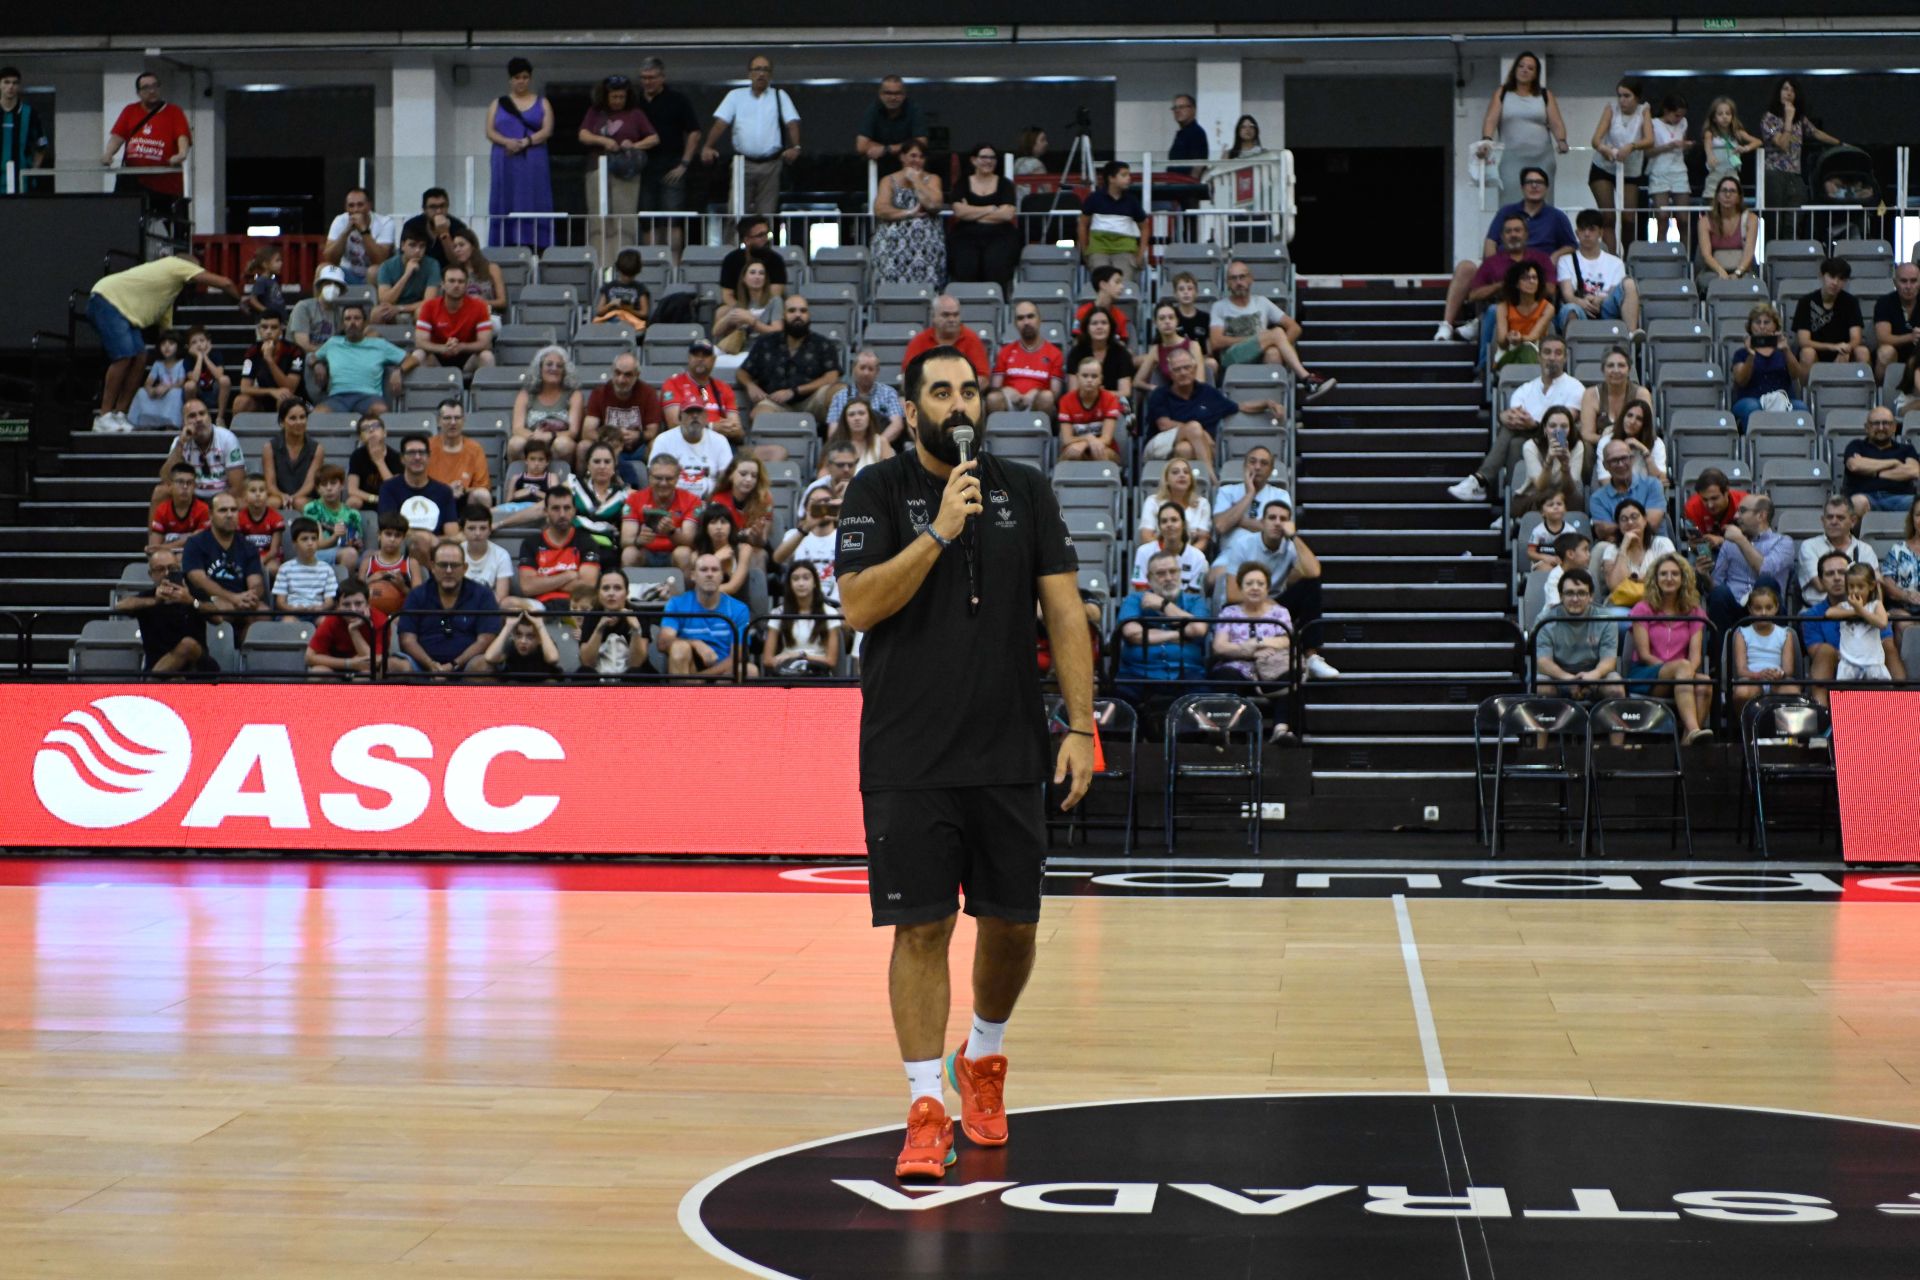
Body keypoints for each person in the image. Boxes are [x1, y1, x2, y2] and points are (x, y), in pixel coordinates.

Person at [834, 342, 1093, 1180]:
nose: (959, 403)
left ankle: (980, 1059)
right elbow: (860, 606)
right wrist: (940, 531)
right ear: (910, 411)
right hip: (908, 752)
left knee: (1014, 924)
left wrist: (1081, 727)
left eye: (970, 390)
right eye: (940, 391)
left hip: (1009, 745)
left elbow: (1064, 613)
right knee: (922, 928)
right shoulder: (876, 490)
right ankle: (922, 1106)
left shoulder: (1026, 489)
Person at [88, 252, 241, 432]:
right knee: (124, 356)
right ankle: (104, 416)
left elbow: (166, 333)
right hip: (107, 299)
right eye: (195, 270)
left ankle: (120, 414)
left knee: (140, 356)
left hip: (126, 314)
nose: (194, 275)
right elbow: (226, 283)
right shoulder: (174, 264)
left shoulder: (167, 294)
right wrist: (240, 301)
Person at [1449, 334, 1583, 503]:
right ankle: (1512, 504)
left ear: (1565, 358)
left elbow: (1566, 423)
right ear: (1538, 356)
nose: (1552, 358)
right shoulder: (1526, 389)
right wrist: (1504, 417)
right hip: (1531, 440)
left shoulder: (1575, 387)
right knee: (1514, 443)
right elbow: (1514, 417)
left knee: (1510, 430)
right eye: (1547, 352)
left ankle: (1480, 480)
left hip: (1560, 441)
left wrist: (1533, 423)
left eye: (1558, 353)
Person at [1209, 261, 1333, 401]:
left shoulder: (1262, 302)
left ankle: (1273, 405)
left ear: (1251, 279)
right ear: (1228, 283)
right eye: (1233, 278)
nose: (1238, 282)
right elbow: (1216, 341)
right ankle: (1306, 379)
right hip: (1232, 358)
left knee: (1273, 352)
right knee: (1277, 333)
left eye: (1242, 277)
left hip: (1259, 354)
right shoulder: (1219, 307)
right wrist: (1256, 339)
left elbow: (1295, 328)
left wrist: (1280, 347)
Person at [1143, 348, 1283, 469]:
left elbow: (1240, 406)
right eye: (1177, 369)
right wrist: (1201, 434)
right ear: (1171, 374)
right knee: (1194, 428)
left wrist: (1267, 403)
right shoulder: (1160, 394)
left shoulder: (1208, 393)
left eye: (1187, 367)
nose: (1183, 372)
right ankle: (1211, 480)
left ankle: (1198, 489)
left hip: (1194, 450)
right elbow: (1164, 425)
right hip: (1159, 447)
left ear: (1195, 369)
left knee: (1185, 449)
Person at [1436, 212, 1559, 345]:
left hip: (1535, 309)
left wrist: (1523, 286)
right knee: (1494, 310)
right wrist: (1501, 285)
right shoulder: (1491, 262)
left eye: (1517, 230)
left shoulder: (1541, 259)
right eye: (1508, 231)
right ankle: (1484, 364)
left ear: (1526, 234)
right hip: (1499, 311)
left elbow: (1551, 289)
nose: (1513, 235)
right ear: (1502, 237)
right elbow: (1473, 295)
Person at [1627, 552, 1713, 743]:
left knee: (1705, 683)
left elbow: (1696, 657)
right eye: (1663, 574)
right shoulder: (1643, 608)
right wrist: (1675, 670)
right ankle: (1693, 730)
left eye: (1675, 574)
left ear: (1683, 579)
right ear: (1655, 579)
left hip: (1682, 676)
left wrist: (1683, 673)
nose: (1669, 578)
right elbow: (1644, 654)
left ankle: (1687, 744)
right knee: (1682, 666)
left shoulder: (1694, 611)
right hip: (1648, 674)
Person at [702, 54, 801, 218]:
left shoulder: (779, 95)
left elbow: (792, 123)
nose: (761, 73)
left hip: (771, 163)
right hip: (743, 163)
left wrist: (796, 147)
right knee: (736, 213)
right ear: (749, 74)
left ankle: (763, 245)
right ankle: (732, 244)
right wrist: (708, 146)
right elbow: (721, 123)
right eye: (757, 69)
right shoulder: (735, 96)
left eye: (765, 70)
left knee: (767, 214)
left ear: (770, 75)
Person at [577, 75, 657, 266]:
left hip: (626, 174)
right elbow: (583, 134)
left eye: (621, 97)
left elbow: (654, 138)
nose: (618, 101)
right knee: (599, 218)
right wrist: (603, 141)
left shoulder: (635, 114)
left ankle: (623, 263)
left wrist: (634, 144)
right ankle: (601, 263)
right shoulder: (595, 112)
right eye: (614, 97)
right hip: (597, 169)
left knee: (624, 218)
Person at [1210, 563, 1296, 738]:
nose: (1255, 588)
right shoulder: (1229, 612)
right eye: (1249, 584)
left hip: (1271, 668)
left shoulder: (1279, 613)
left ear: (1267, 588)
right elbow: (1219, 646)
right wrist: (1249, 652)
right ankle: (1224, 730)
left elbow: (1286, 640)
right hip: (1237, 668)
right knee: (1225, 675)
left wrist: (1256, 642)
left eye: (1260, 583)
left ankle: (1281, 730)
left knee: (1290, 676)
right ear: (1241, 587)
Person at [1803, 551, 1901, 705]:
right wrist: (1850, 655)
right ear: (1821, 581)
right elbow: (1815, 651)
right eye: (1829, 574)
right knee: (1825, 651)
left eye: (1841, 572)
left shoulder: (1875, 606)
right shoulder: (1812, 615)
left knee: (1888, 646)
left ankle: (1904, 700)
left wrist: (1860, 611)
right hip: (1840, 663)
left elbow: (1884, 634)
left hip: (1872, 659)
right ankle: (1821, 713)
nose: (1836, 578)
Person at [1116, 550, 1212, 702]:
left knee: (1204, 703)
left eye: (1173, 572)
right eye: (1161, 573)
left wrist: (1163, 605)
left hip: (1187, 672)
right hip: (1138, 672)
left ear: (1180, 573)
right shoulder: (1134, 599)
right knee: (1120, 704)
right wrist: (1180, 634)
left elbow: (1198, 629)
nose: (1168, 578)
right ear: (1149, 578)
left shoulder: (1195, 601)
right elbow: (1132, 633)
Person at [1475, 52, 1568, 200]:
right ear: (1515, 69)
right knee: (1510, 200)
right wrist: (1486, 141)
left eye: (1530, 68)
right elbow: (1490, 120)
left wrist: (1561, 141)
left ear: (1536, 74)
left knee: (1542, 201)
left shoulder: (1545, 94)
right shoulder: (1503, 92)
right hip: (1511, 158)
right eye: (1521, 66)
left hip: (1542, 158)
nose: (1525, 70)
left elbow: (1556, 122)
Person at [1701, 492, 1795, 636]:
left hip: (1768, 611)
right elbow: (1716, 586)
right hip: (1734, 610)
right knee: (1719, 593)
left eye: (1742, 511)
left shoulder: (1783, 542)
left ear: (1761, 516)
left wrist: (1740, 540)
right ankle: (1720, 657)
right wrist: (1705, 575)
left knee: (1766, 581)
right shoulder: (1729, 544)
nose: (1736, 517)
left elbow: (1765, 571)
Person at [399, 540, 500, 674]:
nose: (448, 570)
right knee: (394, 666)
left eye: (454, 565)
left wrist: (454, 664)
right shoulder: (416, 595)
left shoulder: (483, 595)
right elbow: (407, 639)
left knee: (483, 667)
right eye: (442, 565)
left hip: (466, 666)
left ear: (464, 568)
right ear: (433, 567)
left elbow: (486, 639)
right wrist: (431, 665)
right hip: (422, 666)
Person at [738, 295, 842, 424]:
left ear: (809, 315)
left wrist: (794, 391)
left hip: (812, 401)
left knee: (840, 392)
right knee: (759, 416)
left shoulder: (823, 344)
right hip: (775, 402)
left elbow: (832, 377)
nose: (798, 315)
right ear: (783, 316)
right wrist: (750, 385)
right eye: (792, 311)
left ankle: (837, 441)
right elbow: (742, 372)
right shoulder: (766, 342)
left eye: (803, 311)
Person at [486, 58, 555, 249]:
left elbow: (547, 130)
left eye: (525, 77)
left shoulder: (542, 103)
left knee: (533, 196)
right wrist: (507, 141)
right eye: (517, 77)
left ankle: (537, 241)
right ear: (510, 79)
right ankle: (503, 240)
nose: (521, 81)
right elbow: (490, 131)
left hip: (533, 158)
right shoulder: (497, 103)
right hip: (505, 158)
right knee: (504, 197)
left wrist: (526, 142)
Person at [635, 58, 701, 255]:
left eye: (652, 77)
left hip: (672, 164)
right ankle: (651, 264)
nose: (648, 82)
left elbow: (694, 132)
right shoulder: (635, 102)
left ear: (662, 78)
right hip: (642, 167)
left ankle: (673, 268)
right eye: (644, 78)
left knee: (672, 218)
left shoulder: (677, 100)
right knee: (647, 219)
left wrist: (684, 163)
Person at [113, 547, 209, 674]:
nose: (166, 573)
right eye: (160, 569)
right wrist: (155, 601)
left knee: (188, 645)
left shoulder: (193, 593)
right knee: (174, 680)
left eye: (172, 568)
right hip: (158, 663)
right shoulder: (149, 596)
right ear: (151, 574)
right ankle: (157, 680)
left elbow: (217, 617)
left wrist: (191, 601)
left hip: (198, 667)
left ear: (179, 569)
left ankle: (152, 683)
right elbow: (120, 606)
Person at [661, 552, 755, 679]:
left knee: (750, 670)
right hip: (688, 667)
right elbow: (663, 642)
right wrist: (695, 643)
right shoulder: (677, 603)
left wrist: (701, 678)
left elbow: (737, 656)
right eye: (704, 570)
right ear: (693, 575)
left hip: (723, 673)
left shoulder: (739, 609)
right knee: (679, 648)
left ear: (722, 576)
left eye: (715, 570)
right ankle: (682, 697)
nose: (709, 574)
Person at [1534, 569, 1625, 701]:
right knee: (1542, 686)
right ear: (1561, 596)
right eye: (1569, 593)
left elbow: (1609, 661)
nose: (1575, 599)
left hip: (1595, 676)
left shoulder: (1606, 618)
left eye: (1581, 593)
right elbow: (1543, 662)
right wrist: (1570, 679)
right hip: (1558, 678)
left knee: (1615, 687)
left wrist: (1593, 675)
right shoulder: (1544, 620)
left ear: (1591, 596)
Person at [311, 302, 414, 417]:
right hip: (338, 397)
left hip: (368, 397)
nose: (352, 323)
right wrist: (317, 364)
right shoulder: (333, 343)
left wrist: (399, 371)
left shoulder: (379, 345)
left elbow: (411, 359)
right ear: (342, 324)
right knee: (317, 416)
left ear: (365, 323)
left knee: (381, 411)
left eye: (357, 318)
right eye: (348, 319)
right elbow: (312, 357)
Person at [180, 492, 267, 629]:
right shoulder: (196, 543)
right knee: (222, 608)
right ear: (210, 515)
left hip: (241, 600)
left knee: (263, 612)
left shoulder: (248, 546)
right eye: (223, 510)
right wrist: (232, 598)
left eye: (233, 510)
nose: (229, 515)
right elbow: (198, 580)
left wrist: (251, 596)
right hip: (207, 600)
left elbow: (255, 581)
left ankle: (246, 650)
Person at [1760, 78, 1842, 218]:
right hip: (1775, 173)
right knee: (1775, 219)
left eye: (1792, 90)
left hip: (1795, 174)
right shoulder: (1769, 119)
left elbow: (1816, 133)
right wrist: (1788, 119)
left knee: (1794, 217)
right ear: (1778, 93)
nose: (1789, 93)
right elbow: (1783, 144)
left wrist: (1839, 143)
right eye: (1785, 89)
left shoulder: (1800, 120)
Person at [102, 71, 191, 199]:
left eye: (155, 86)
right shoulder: (130, 110)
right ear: (138, 93)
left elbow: (182, 136)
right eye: (146, 88)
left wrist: (182, 154)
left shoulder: (174, 112)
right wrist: (108, 154)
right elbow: (118, 137)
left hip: (165, 185)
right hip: (133, 183)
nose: (152, 91)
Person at [1587, 78, 1650, 253]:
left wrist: (1632, 146)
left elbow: (1649, 139)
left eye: (1627, 96)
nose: (1622, 100)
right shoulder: (1611, 110)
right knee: (1608, 217)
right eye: (1620, 95)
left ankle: (1629, 258)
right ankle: (1611, 258)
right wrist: (1604, 148)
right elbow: (1595, 140)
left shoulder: (1643, 111)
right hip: (1604, 167)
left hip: (1631, 170)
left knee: (1629, 219)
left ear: (1636, 97)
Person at [947, 144, 1020, 295]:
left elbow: (1007, 214)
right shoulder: (962, 183)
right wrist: (990, 209)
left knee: (996, 266)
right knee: (966, 266)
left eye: (992, 157)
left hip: (1000, 236)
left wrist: (972, 212)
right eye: (984, 157)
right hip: (966, 236)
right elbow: (959, 212)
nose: (989, 161)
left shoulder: (1005, 184)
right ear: (974, 160)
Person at [1557, 209, 1642, 335]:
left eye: (1591, 229)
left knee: (1629, 283)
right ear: (1577, 233)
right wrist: (1583, 303)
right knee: (1569, 309)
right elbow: (1567, 295)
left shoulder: (1616, 262)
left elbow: (1614, 293)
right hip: (1579, 305)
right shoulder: (1565, 260)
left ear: (1600, 232)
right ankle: (1572, 350)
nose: (1586, 234)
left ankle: (1631, 336)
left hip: (1606, 306)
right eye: (1582, 229)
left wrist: (1599, 300)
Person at [517, 488, 602, 610]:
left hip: (577, 607)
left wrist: (543, 582)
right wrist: (567, 576)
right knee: (507, 603)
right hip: (541, 608)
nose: (562, 514)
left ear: (574, 510)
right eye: (556, 508)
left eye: (567, 508)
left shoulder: (587, 542)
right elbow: (527, 587)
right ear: (546, 511)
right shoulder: (531, 543)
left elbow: (587, 586)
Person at [379, 432, 462, 555]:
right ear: (402, 459)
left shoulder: (443, 491)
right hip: (400, 546)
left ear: (429, 457)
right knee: (418, 543)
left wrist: (434, 540)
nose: (417, 457)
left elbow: (452, 534)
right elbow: (388, 527)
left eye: (422, 453)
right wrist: (422, 537)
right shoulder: (389, 488)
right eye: (411, 453)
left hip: (436, 548)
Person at [1730, 302, 1809, 429]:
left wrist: (1786, 350)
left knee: (1801, 408)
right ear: (1750, 326)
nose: (1762, 327)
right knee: (1753, 408)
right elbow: (1741, 380)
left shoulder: (1784, 352)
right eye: (1757, 322)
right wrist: (1751, 355)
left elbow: (1796, 375)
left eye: (1766, 322)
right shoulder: (1741, 353)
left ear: (1775, 326)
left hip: (1783, 400)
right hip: (1750, 399)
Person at [1729, 582, 1801, 716]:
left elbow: (1789, 669)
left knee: (1793, 691)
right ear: (1750, 609)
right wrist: (1758, 675)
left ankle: (1782, 732)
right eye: (1758, 608)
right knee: (1741, 693)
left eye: (1769, 608)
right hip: (1751, 679)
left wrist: (1779, 674)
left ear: (1776, 608)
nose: (1763, 613)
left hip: (1777, 680)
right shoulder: (1741, 633)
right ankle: (1746, 730)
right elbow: (1741, 670)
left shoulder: (1786, 633)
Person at [413, 264, 497, 375]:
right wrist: (443, 348)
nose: (456, 285)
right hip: (438, 356)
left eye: (461, 281)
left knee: (487, 356)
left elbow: (486, 343)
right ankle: (423, 392)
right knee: (418, 354)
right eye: (451, 281)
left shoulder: (479, 306)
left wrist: (461, 347)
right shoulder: (429, 306)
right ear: (442, 284)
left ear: (467, 285)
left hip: (468, 357)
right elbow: (420, 342)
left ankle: (484, 392)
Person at [157, 399, 245, 505]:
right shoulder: (179, 442)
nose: (198, 419)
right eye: (192, 416)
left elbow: (237, 487)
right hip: (191, 497)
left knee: (240, 501)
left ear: (209, 417)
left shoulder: (227, 439)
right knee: (160, 492)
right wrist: (181, 444)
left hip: (222, 495)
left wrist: (215, 505)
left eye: (202, 414)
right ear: (183, 423)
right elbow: (166, 478)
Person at [1795, 495, 1877, 608]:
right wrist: (1857, 582)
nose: (1834, 522)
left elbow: (1874, 587)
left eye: (1840, 518)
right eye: (1829, 517)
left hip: (1857, 613)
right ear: (1823, 521)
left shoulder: (1865, 550)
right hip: (1818, 614)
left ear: (1853, 521)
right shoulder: (1809, 546)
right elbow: (1820, 585)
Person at [762, 561, 841, 677]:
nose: (801, 583)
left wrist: (798, 655)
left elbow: (831, 661)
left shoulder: (830, 613)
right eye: (795, 579)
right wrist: (785, 660)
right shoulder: (778, 613)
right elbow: (767, 660)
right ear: (790, 584)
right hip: (787, 672)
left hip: (818, 673)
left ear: (815, 582)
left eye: (806, 578)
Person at [510, 345, 586, 465]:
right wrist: (535, 437)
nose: (554, 368)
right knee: (515, 444)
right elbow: (517, 428)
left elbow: (573, 431)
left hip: (559, 440)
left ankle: (561, 479)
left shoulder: (573, 395)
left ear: (564, 371)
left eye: (559, 366)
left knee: (562, 445)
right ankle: (521, 480)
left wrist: (550, 436)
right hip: (532, 441)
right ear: (540, 368)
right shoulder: (526, 394)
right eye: (549, 364)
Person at [620, 455, 700, 567]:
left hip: (674, 552)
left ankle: (686, 585)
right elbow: (625, 540)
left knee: (684, 553)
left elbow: (690, 541)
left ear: (677, 478)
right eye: (658, 478)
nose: (663, 483)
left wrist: (672, 532)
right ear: (649, 477)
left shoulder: (692, 500)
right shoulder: (634, 499)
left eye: (669, 478)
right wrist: (639, 540)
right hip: (645, 552)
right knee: (629, 553)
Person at [1076, 159, 1147, 286]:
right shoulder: (1094, 198)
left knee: (1123, 286)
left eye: (1128, 175)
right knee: (1102, 284)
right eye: (1124, 175)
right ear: (1111, 178)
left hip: (1125, 250)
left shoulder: (1132, 201)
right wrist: (1085, 250)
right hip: (1099, 249)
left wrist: (1140, 254)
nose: (1129, 178)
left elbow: (1145, 227)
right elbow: (1082, 224)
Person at [1843, 406, 1920, 521]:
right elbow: (1855, 465)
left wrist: (1873, 472)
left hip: (1901, 498)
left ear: (1894, 427)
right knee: (1858, 503)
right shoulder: (1856, 445)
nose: (1881, 427)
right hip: (1866, 497)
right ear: (1867, 427)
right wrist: (1894, 462)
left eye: (1886, 423)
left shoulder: (1906, 449)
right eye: (1875, 423)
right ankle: (1858, 539)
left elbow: (1913, 471)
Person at [306, 578, 395, 677]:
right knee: (318, 672)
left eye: (358, 604)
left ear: (368, 604)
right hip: (336, 666)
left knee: (367, 674)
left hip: (365, 669)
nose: (353, 609)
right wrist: (349, 663)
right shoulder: (331, 620)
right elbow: (309, 657)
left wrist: (354, 631)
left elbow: (375, 662)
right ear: (338, 607)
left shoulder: (380, 621)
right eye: (346, 604)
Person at [648, 397, 734, 499]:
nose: (695, 416)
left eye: (699, 412)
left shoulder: (720, 441)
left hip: (710, 501)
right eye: (689, 412)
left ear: (706, 417)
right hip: (673, 501)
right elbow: (654, 475)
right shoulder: (663, 440)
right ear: (680, 417)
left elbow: (726, 477)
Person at [987, 304, 1064, 417]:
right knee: (992, 399)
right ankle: (1003, 433)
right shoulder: (1005, 351)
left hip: (1037, 403)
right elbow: (995, 387)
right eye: (1020, 318)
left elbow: (1055, 393)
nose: (1026, 322)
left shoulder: (1054, 353)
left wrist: (1035, 393)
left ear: (1039, 319)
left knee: (1047, 398)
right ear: (1015, 324)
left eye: (1030, 316)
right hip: (1010, 401)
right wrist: (1008, 391)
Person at [1793, 257, 1870, 368]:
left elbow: (1856, 338)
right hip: (1816, 351)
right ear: (1822, 275)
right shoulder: (1805, 302)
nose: (1835, 283)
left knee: (1862, 351)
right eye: (1832, 277)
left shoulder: (1851, 302)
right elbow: (1804, 341)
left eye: (1841, 279)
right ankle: (1806, 386)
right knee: (1807, 353)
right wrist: (1833, 347)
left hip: (1842, 352)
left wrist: (1846, 348)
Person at [576, 568, 652, 677]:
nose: (611, 593)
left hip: (630, 677)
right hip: (600, 674)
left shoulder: (639, 615)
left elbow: (636, 664)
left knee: (635, 674)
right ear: (598, 593)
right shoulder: (591, 616)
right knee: (583, 674)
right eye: (606, 588)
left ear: (627, 593)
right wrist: (599, 629)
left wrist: (636, 629)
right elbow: (587, 663)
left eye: (617, 588)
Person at [1514, 405, 1586, 517]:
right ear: (1544, 429)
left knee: (1576, 500)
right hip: (1532, 495)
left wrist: (1565, 465)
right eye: (1552, 426)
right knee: (1543, 499)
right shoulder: (1531, 446)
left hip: (1563, 495)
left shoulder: (1577, 446)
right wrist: (1549, 460)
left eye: (1564, 426)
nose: (1558, 431)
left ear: (1570, 429)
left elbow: (1570, 489)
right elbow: (1540, 487)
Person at [774, 489, 844, 603]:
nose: (822, 506)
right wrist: (806, 528)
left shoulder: (844, 536)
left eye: (826, 501)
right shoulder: (794, 535)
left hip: (837, 606)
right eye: (816, 503)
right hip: (802, 604)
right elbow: (778, 559)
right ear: (806, 508)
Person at [1589, 444, 1667, 545]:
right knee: (1602, 547)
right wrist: (1638, 522)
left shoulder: (1653, 485)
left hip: (1652, 544)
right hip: (1618, 547)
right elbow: (1602, 531)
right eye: (1614, 460)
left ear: (1632, 460)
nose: (1620, 464)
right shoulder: (1597, 498)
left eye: (1624, 458)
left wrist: (1615, 527)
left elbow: (1652, 524)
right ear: (1605, 466)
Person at [584, 352, 663, 449]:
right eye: (617, 373)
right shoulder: (599, 393)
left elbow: (653, 431)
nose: (621, 380)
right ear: (612, 371)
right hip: (606, 448)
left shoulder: (648, 393)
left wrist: (638, 436)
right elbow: (587, 432)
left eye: (628, 375)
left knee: (656, 444)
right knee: (583, 446)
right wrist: (609, 440)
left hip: (638, 447)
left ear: (637, 375)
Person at [1642, 93, 1692, 245]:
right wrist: (1667, 147)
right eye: (1676, 115)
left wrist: (1685, 146)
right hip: (1659, 171)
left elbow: (1683, 148)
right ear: (1666, 110)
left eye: (1681, 116)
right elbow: (1647, 152)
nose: (1678, 119)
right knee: (1662, 217)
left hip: (1679, 171)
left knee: (1683, 219)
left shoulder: (1683, 123)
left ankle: (1685, 255)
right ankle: (1660, 254)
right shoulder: (1653, 123)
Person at [231, 314, 305, 416]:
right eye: (264, 327)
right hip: (265, 397)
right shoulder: (252, 351)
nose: (268, 332)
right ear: (259, 330)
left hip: (295, 398)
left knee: (284, 399)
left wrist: (269, 360)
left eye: (274, 327)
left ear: (281, 329)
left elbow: (290, 387)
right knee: (241, 402)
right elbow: (244, 388)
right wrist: (271, 391)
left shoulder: (295, 351)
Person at [827, 350, 907, 443]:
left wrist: (876, 446)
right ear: (854, 369)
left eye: (870, 369)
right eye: (862, 368)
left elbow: (897, 425)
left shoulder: (889, 393)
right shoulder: (839, 397)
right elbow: (833, 432)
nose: (866, 373)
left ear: (877, 372)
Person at [323, 187, 398, 285]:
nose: (356, 210)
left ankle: (375, 300)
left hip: (374, 274)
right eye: (351, 206)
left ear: (369, 206)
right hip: (347, 273)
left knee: (373, 271)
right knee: (325, 268)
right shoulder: (340, 221)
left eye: (360, 205)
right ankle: (323, 300)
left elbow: (380, 260)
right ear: (346, 208)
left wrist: (364, 231)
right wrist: (345, 232)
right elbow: (329, 258)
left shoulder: (385, 223)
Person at [1056, 358, 1124, 465]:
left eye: (1094, 376)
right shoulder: (1065, 400)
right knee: (1073, 453)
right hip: (1075, 447)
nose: (1089, 380)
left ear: (1101, 379)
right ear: (1077, 377)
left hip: (1104, 448)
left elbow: (1106, 439)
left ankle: (1105, 481)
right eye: (1085, 375)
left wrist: (1085, 443)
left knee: (1098, 452)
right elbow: (1067, 439)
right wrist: (1089, 438)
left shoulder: (1110, 399)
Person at [426, 399, 492, 508]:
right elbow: (418, 482)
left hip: (463, 500)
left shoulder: (475, 449)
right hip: (433, 499)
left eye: (457, 418)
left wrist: (462, 490)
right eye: (447, 418)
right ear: (438, 421)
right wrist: (446, 490)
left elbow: (482, 486)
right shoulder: (427, 447)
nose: (453, 422)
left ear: (463, 420)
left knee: (482, 495)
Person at [1132, 501, 1209, 593]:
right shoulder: (1143, 552)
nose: (1169, 525)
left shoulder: (1198, 557)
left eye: (1174, 520)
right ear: (1159, 527)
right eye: (1164, 521)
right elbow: (1141, 591)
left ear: (1183, 524)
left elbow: (1191, 597)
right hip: (1150, 604)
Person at [906, 296, 990, 379]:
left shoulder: (971, 339)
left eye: (955, 315)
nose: (951, 319)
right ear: (933, 317)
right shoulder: (920, 341)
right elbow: (907, 377)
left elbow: (982, 377)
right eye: (946, 315)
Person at [1696, 175, 1760, 285]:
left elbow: (1749, 253)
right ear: (1717, 196)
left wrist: (1737, 273)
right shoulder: (1704, 221)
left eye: (1732, 191)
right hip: (1714, 271)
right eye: (1724, 190)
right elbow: (1706, 255)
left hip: (1743, 271)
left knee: (1747, 282)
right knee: (1710, 282)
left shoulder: (1751, 219)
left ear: (1739, 197)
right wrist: (1722, 272)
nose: (1728, 195)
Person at [262, 399, 323, 510]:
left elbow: (310, 484)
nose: (299, 422)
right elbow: (270, 484)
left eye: (302, 417)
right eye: (293, 418)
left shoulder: (317, 449)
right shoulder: (269, 447)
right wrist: (282, 496)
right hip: (278, 495)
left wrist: (293, 498)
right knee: (273, 502)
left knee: (300, 502)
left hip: (306, 497)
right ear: (282, 422)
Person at [856, 76, 928, 172]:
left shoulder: (914, 110)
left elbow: (921, 143)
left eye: (897, 93)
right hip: (879, 166)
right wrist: (904, 147)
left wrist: (886, 149)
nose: (893, 97)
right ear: (880, 94)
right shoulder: (873, 110)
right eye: (888, 93)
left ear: (904, 95)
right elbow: (861, 146)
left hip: (910, 166)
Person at [373, 228, 441, 327]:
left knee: (422, 311)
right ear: (402, 245)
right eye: (412, 245)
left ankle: (420, 341)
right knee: (377, 313)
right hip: (393, 306)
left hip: (416, 307)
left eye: (422, 246)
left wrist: (400, 308)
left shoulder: (432, 265)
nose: (417, 250)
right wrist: (406, 274)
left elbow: (429, 301)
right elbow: (385, 299)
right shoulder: (387, 266)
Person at [273, 518, 338, 622]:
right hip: (293, 613)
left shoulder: (326, 569)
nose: (310, 543)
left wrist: (320, 608)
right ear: (294, 544)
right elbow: (280, 602)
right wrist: (295, 609)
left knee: (325, 621)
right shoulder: (285, 569)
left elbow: (329, 601)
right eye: (304, 539)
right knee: (288, 621)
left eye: (314, 538)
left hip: (317, 613)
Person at [1492, 259, 1553, 369]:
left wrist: (1520, 339)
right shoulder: (1503, 307)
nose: (1531, 281)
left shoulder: (1547, 307)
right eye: (1525, 278)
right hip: (1508, 352)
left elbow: (1534, 337)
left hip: (1535, 351)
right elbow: (1501, 341)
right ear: (1516, 283)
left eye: (1534, 278)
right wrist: (1509, 338)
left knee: (1527, 348)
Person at [1064, 307, 1134, 401]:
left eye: (1104, 323)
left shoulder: (1122, 353)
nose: (1099, 327)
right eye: (1094, 323)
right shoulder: (1076, 353)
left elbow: (1125, 392)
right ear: (1087, 328)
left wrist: (1099, 394)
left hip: (1114, 404)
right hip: (1083, 404)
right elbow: (1073, 391)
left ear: (1110, 327)